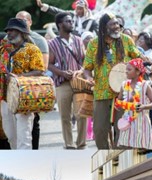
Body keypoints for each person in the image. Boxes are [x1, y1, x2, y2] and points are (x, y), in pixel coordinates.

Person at [82, 13, 140, 149]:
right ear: (104, 28)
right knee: (99, 129)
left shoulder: (126, 40)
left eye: (117, 24)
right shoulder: (94, 44)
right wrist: (89, 77)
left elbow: (138, 57)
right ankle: (105, 156)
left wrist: (144, 63)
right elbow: (87, 68)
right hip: (102, 92)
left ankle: (121, 158)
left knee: (123, 127)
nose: (117, 26)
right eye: (112, 24)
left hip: (124, 92)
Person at [0, 18, 45, 150]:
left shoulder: (32, 49)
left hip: (24, 96)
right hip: (5, 97)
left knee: (24, 136)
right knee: (11, 136)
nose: (9, 33)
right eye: (8, 30)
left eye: (13, 30)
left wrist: (18, 77)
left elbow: (39, 71)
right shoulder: (3, 50)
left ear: (22, 32)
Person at [48, 12, 87, 150]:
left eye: (72, 21)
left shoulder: (78, 40)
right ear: (60, 24)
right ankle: (69, 145)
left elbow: (85, 61)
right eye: (68, 21)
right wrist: (62, 73)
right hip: (62, 84)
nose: (72, 23)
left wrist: (80, 72)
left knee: (82, 114)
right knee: (65, 116)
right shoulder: (52, 43)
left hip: (79, 83)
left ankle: (81, 144)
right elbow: (49, 64)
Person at [115, 58, 152, 149]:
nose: (126, 71)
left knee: (142, 147)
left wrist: (144, 106)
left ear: (138, 72)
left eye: (129, 70)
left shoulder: (145, 85)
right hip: (128, 122)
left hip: (142, 123)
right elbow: (118, 104)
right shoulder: (124, 85)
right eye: (126, 69)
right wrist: (125, 103)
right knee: (127, 146)